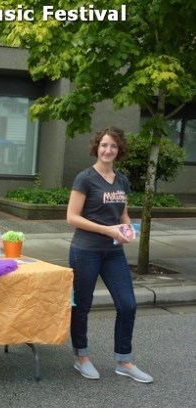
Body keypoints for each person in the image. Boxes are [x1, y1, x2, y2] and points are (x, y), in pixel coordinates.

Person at [66, 127, 153, 383]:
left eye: (113, 146)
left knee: (128, 304)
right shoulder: (85, 178)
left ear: (119, 150)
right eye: (104, 145)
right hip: (85, 251)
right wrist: (107, 230)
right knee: (82, 305)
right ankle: (81, 357)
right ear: (97, 147)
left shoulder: (122, 181)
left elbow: (122, 214)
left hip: (113, 252)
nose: (108, 150)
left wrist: (127, 229)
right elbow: (72, 217)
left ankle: (124, 361)